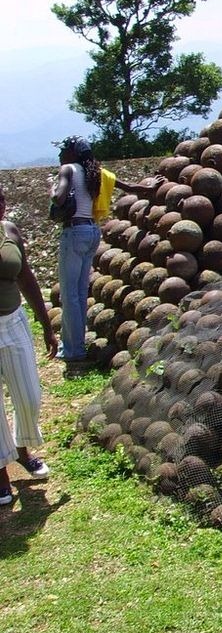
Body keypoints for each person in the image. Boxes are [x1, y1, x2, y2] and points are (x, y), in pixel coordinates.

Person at [50, 136, 162, 374]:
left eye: (63, 149)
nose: (60, 154)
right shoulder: (97, 173)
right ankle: (74, 346)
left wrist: (54, 187)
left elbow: (58, 198)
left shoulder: (67, 169)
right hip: (92, 231)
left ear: (71, 152)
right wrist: (151, 187)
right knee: (80, 293)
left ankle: (74, 351)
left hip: (74, 232)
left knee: (70, 295)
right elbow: (129, 188)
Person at [1, 182, 58, 506]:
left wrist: (46, 324)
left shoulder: (9, 230)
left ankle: (22, 449)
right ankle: (1, 472)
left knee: (29, 396)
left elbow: (25, 276)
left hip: (14, 322)